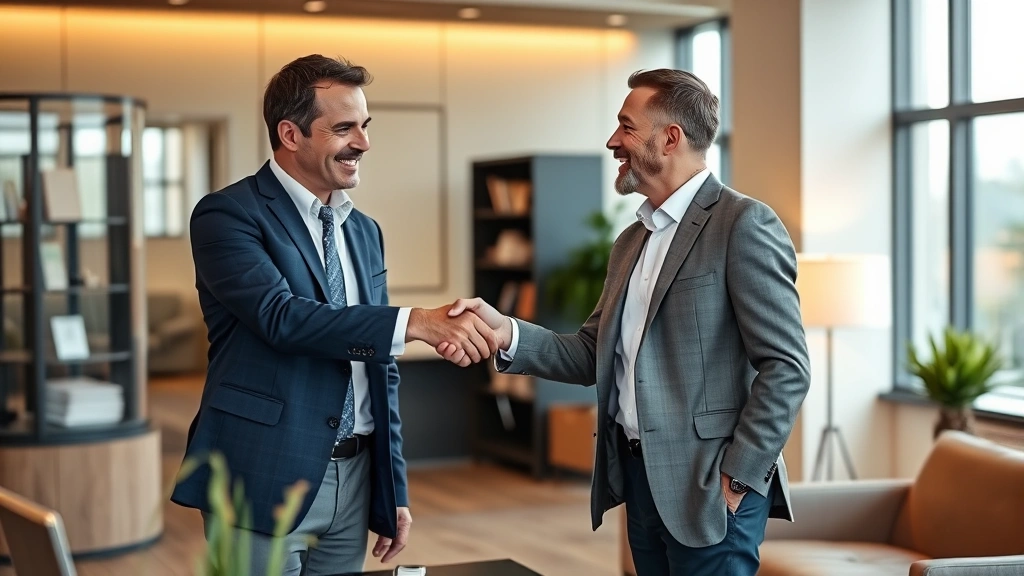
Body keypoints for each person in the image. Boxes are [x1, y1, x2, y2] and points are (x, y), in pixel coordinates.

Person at [438, 69, 810, 576]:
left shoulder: (743, 224)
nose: (613, 141)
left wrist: (738, 478)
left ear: (670, 138)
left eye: (626, 127)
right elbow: (592, 353)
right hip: (641, 478)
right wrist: (506, 331)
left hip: (711, 486)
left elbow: (787, 367)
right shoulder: (631, 241)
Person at [171, 54, 497, 576]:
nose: (363, 143)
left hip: (356, 479)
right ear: (290, 134)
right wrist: (415, 321)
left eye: (365, 126)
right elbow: (282, 317)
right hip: (262, 474)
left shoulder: (364, 230)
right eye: (344, 128)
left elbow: (380, 368)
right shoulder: (227, 215)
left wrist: (393, 488)